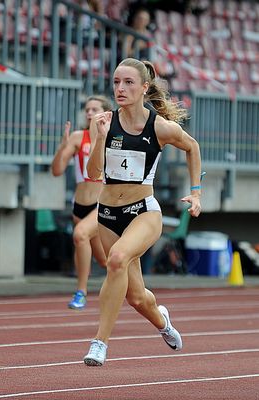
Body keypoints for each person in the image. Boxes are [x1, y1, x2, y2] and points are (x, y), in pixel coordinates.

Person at [83, 58, 202, 366]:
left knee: (117, 259)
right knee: (136, 297)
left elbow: (192, 147)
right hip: (108, 214)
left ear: (144, 87)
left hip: (144, 213)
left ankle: (100, 343)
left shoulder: (160, 127)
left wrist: (196, 191)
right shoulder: (105, 122)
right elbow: (94, 172)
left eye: (128, 83)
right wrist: (99, 137)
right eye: (116, 82)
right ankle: (162, 321)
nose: (120, 89)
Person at [51, 96, 112, 310]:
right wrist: (62, 147)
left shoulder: (113, 137)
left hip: (102, 205)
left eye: (95, 109)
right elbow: (57, 171)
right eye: (87, 109)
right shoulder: (78, 137)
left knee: (80, 235)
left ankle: (81, 292)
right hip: (80, 206)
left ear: (106, 113)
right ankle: (131, 286)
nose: (89, 112)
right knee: (105, 260)